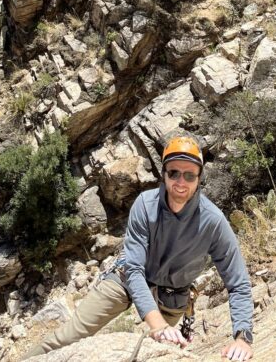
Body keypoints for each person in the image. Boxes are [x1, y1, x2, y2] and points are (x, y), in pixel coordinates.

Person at [23, 132, 254, 361]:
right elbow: (134, 270)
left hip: (171, 294)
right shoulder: (145, 205)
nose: (180, 182)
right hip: (126, 279)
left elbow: (238, 282)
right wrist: (157, 324)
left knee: (158, 352)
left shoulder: (213, 222)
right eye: (173, 173)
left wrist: (242, 337)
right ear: (163, 174)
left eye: (189, 175)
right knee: (68, 337)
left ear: (199, 178)